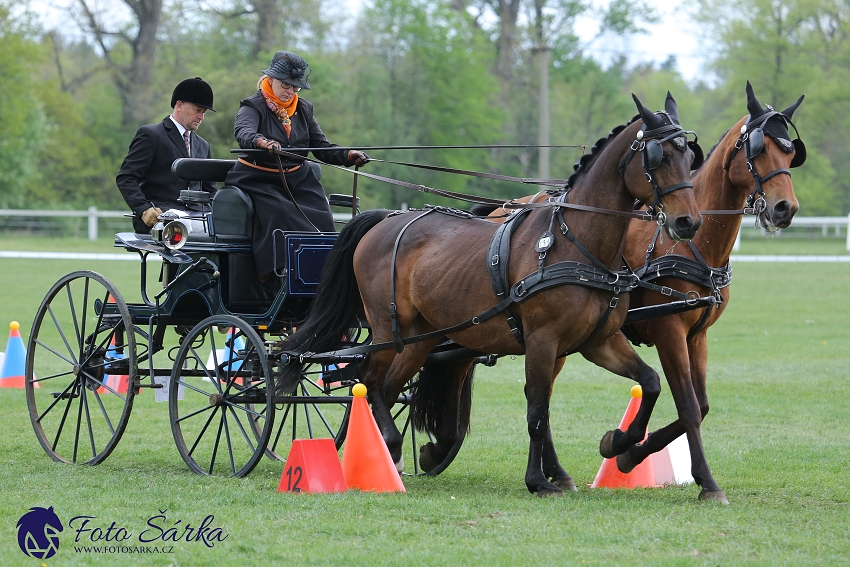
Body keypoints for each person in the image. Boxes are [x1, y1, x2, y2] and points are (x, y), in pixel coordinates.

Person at [225, 50, 369, 280]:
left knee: (323, 215)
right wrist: (262, 142)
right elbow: (243, 132)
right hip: (258, 178)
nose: (290, 91)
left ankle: (326, 276)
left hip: (298, 179)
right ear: (270, 79)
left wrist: (349, 155)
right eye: (285, 85)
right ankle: (282, 276)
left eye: (295, 87)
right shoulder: (252, 106)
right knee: (283, 212)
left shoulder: (304, 109)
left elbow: (321, 146)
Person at [117, 77, 217, 234]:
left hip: (196, 215)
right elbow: (126, 177)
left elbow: (210, 191)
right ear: (179, 105)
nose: (201, 117)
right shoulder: (151, 135)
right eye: (198, 111)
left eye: (203, 113)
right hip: (160, 214)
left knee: (228, 225)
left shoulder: (203, 145)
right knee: (183, 221)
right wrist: (144, 209)